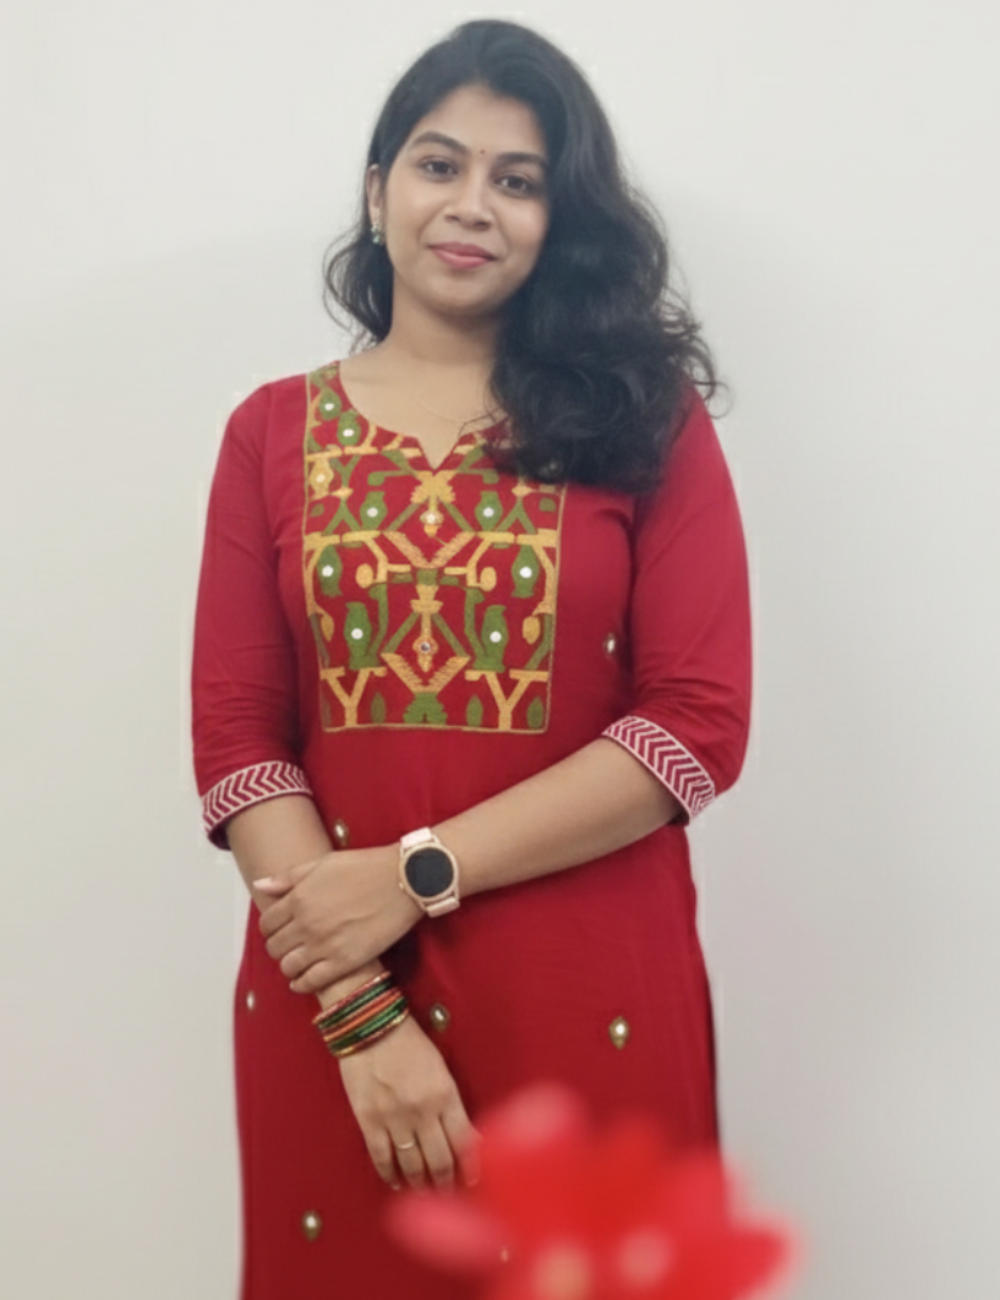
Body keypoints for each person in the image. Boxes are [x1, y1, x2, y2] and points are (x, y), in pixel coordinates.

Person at [192, 19, 751, 1300]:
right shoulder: (268, 434)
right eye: (439, 165)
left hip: (587, 992)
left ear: (560, 219)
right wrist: (358, 1014)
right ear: (377, 187)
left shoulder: (644, 423)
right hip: (339, 1003)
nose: (471, 205)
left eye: (519, 179)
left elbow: (694, 724)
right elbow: (238, 740)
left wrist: (415, 873)